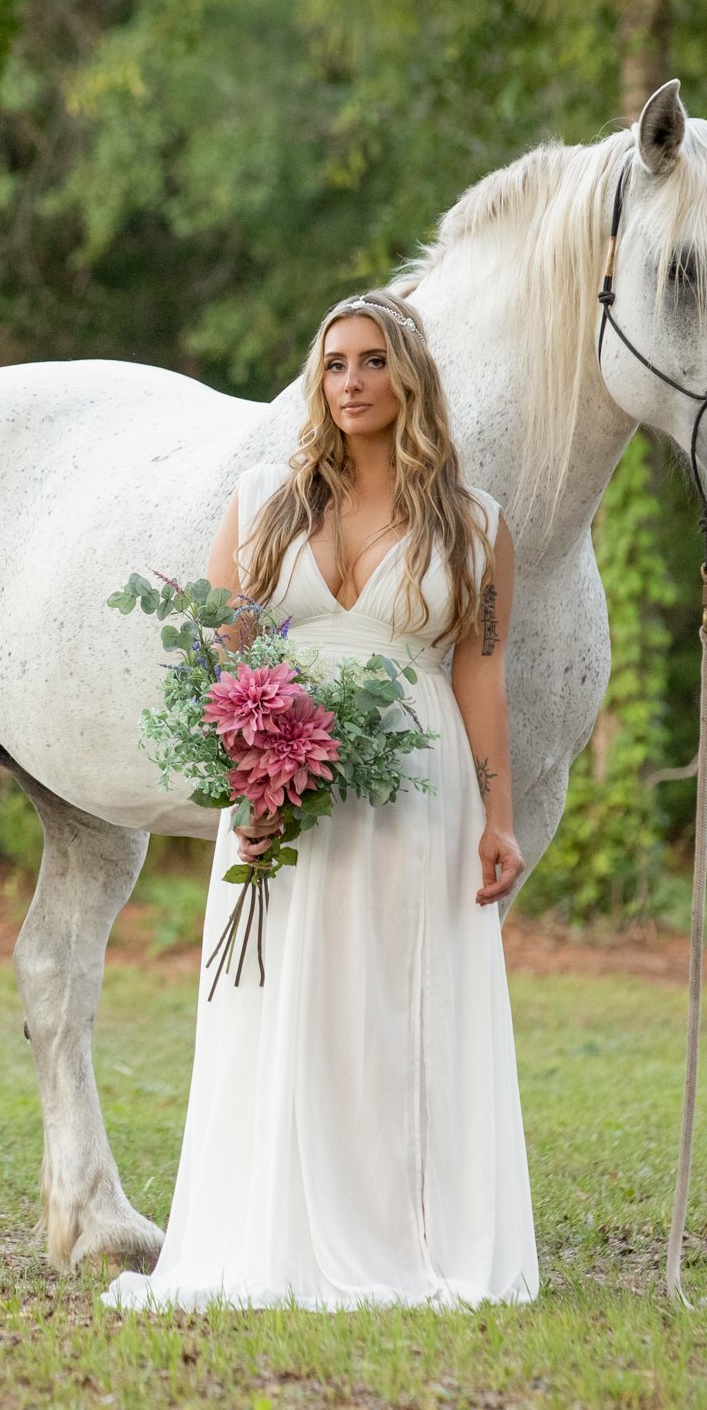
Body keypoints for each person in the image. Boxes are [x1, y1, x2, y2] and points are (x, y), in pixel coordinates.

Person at [99, 289, 540, 1313]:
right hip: (283, 788)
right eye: (335, 363)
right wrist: (241, 771)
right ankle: (273, 1229)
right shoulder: (266, 501)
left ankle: (403, 1233)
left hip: (412, 788)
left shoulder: (476, 528)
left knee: (393, 1008)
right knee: (282, 1006)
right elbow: (223, 644)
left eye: (373, 361)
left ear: (411, 377)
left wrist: (499, 816)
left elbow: (481, 673)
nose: (351, 381)